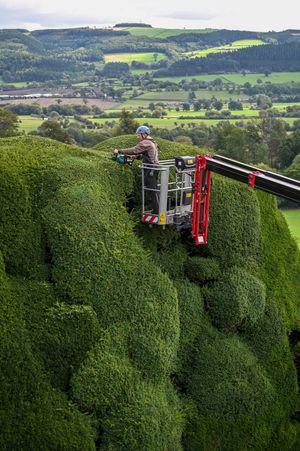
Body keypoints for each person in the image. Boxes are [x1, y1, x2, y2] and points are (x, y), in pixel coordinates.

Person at [114, 126, 160, 214]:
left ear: (144, 135)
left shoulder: (145, 142)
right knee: (152, 190)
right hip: (153, 168)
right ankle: (155, 209)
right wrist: (137, 157)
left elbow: (135, 150)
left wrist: (119, 151)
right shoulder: (151, 141)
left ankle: (157, 211)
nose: (137, 137)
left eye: (138, 135)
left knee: (152, 190)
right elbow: (146, 154)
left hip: (151, 169)